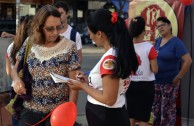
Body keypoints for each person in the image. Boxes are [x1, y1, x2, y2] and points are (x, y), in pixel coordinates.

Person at [67, 9, 139, 126]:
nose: (90, 36)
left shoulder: (110, 60)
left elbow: (109, 99)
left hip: (106, 116)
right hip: (111, 114)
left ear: (99, 34)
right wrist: (88, 82)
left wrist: (82, 86)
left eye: (90, 33)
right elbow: (109, 86)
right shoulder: (116, 52)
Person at [11, 5, 80, 126]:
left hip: (57, 113)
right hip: (30, 110)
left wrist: (70, 112)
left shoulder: (69, 47)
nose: (55, 32)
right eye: (50, 29)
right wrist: (17, 80)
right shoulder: (29, 43)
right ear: (39, 27)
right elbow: (15, 70)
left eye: (59, 27)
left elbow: (74, 85)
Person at [152, 17, 192, 126]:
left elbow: (188, 61)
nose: (160, 28)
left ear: (169, 25)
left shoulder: (176, 43)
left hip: (169, 83)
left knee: (167, 111)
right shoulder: (158, 41)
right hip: (156, 82)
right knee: (156, 110)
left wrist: (178, 77)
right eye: (158, 27)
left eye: (162, 25)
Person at [125, 16, 158, 126]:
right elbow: (155, 69)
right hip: (146, 86)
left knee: (131, 116)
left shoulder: (126, 47)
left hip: (130, 85)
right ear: (143, 31)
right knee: (144, 117)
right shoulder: (149, 47)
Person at [5, 15, 33, 126]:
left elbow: (8, 71)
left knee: (16, 118)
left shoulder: (11, 47)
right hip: (30, 89)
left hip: (15, 88)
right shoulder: (35, 46)